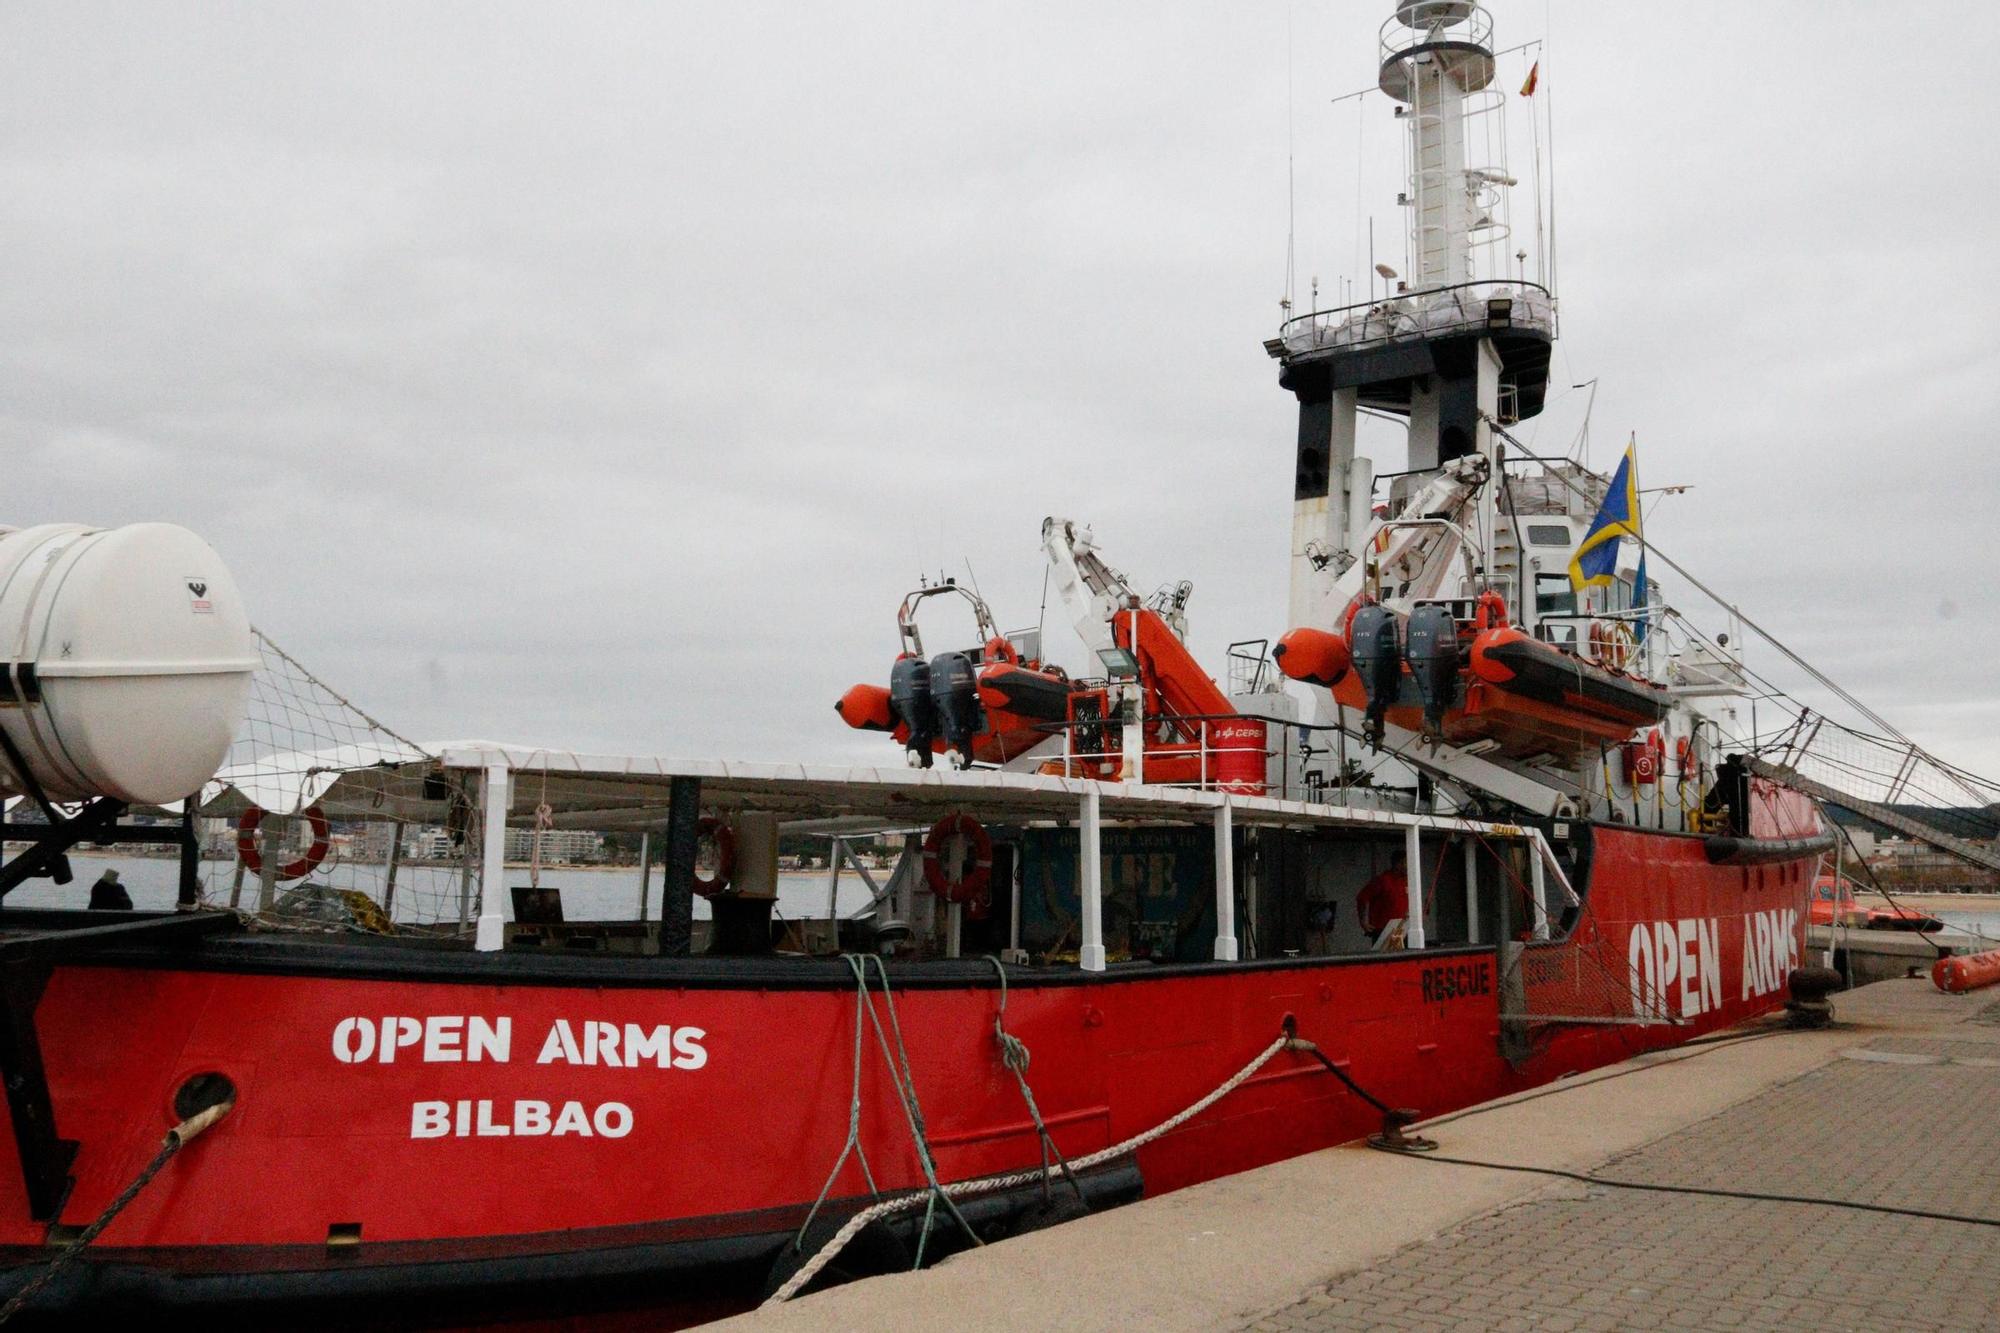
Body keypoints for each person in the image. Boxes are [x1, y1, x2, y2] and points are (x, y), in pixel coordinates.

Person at [1356, 852, 1407, 939]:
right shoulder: (1383, 880)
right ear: (1397, 864)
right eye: (1405, 863)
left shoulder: (1406, 881)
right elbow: (1362, 897)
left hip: (1401, 928)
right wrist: (1363, 921)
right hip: (1383, 929)